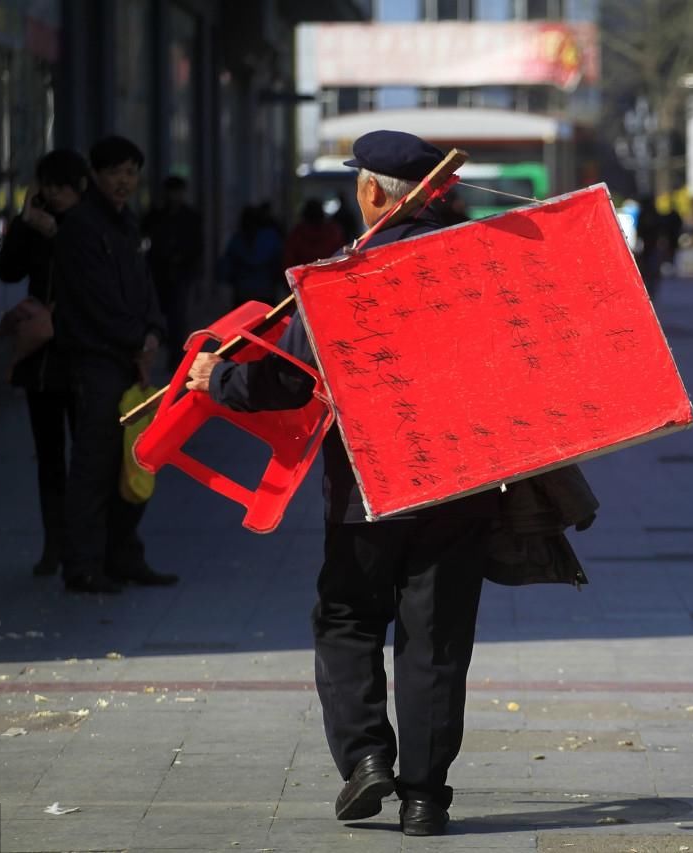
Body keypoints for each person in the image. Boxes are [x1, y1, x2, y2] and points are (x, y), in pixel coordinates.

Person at [185, 130, 497, 836]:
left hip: (368, 489)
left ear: (369, 192)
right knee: (436, 638)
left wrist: (218, 379)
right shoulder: (477, 264)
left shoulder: (344, 274)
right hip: (463, 482)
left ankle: (364, 760)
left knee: (349, 616)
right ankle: (425, 798)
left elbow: (284, 378)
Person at [53, 135, 176, 595]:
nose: (125, 182)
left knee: (137, 458)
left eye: (131, 172)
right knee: (94, 466)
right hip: (96, 363)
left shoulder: (127, 224)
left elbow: (146, 289)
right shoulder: (80, 228)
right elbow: (94, 301)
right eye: (115, 172)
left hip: (131, 361)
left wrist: (153, 334)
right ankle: (83, 565)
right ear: (95, 176)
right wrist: (135, 341)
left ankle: (124, 556)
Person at [0, 149, 90, 577]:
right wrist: (24, 222)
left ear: (79, 187)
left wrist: (56, 233)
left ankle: (83, 544)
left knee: (86, 456)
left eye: (62, 187)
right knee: (49, 455)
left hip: (83, 355)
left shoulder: (90, 225)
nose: (55, 195)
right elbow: (7, 271)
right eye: (48, 187)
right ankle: (54, 543)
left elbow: (91, 274)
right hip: (42, 359)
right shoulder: (33, 225)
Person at [142, 174, 203, 369]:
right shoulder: (157, 215)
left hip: (181, 273)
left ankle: (176, 356)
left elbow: (197, 246)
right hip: (159, 272)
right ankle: (166, 349)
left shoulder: (189, 217)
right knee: (161, 313)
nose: (175, 196)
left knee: (178, 315)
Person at [219, 204, 283, 306]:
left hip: (243, 292)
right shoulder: (271, 238)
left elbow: (227, 267)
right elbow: (278, 263)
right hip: (266, 290)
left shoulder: (237, 240)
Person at [283, 198, 345, 269]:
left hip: (304, 276)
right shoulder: (333, 232)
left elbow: (289, 262)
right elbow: (341, 256)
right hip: (330, 276)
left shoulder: (297, 234)